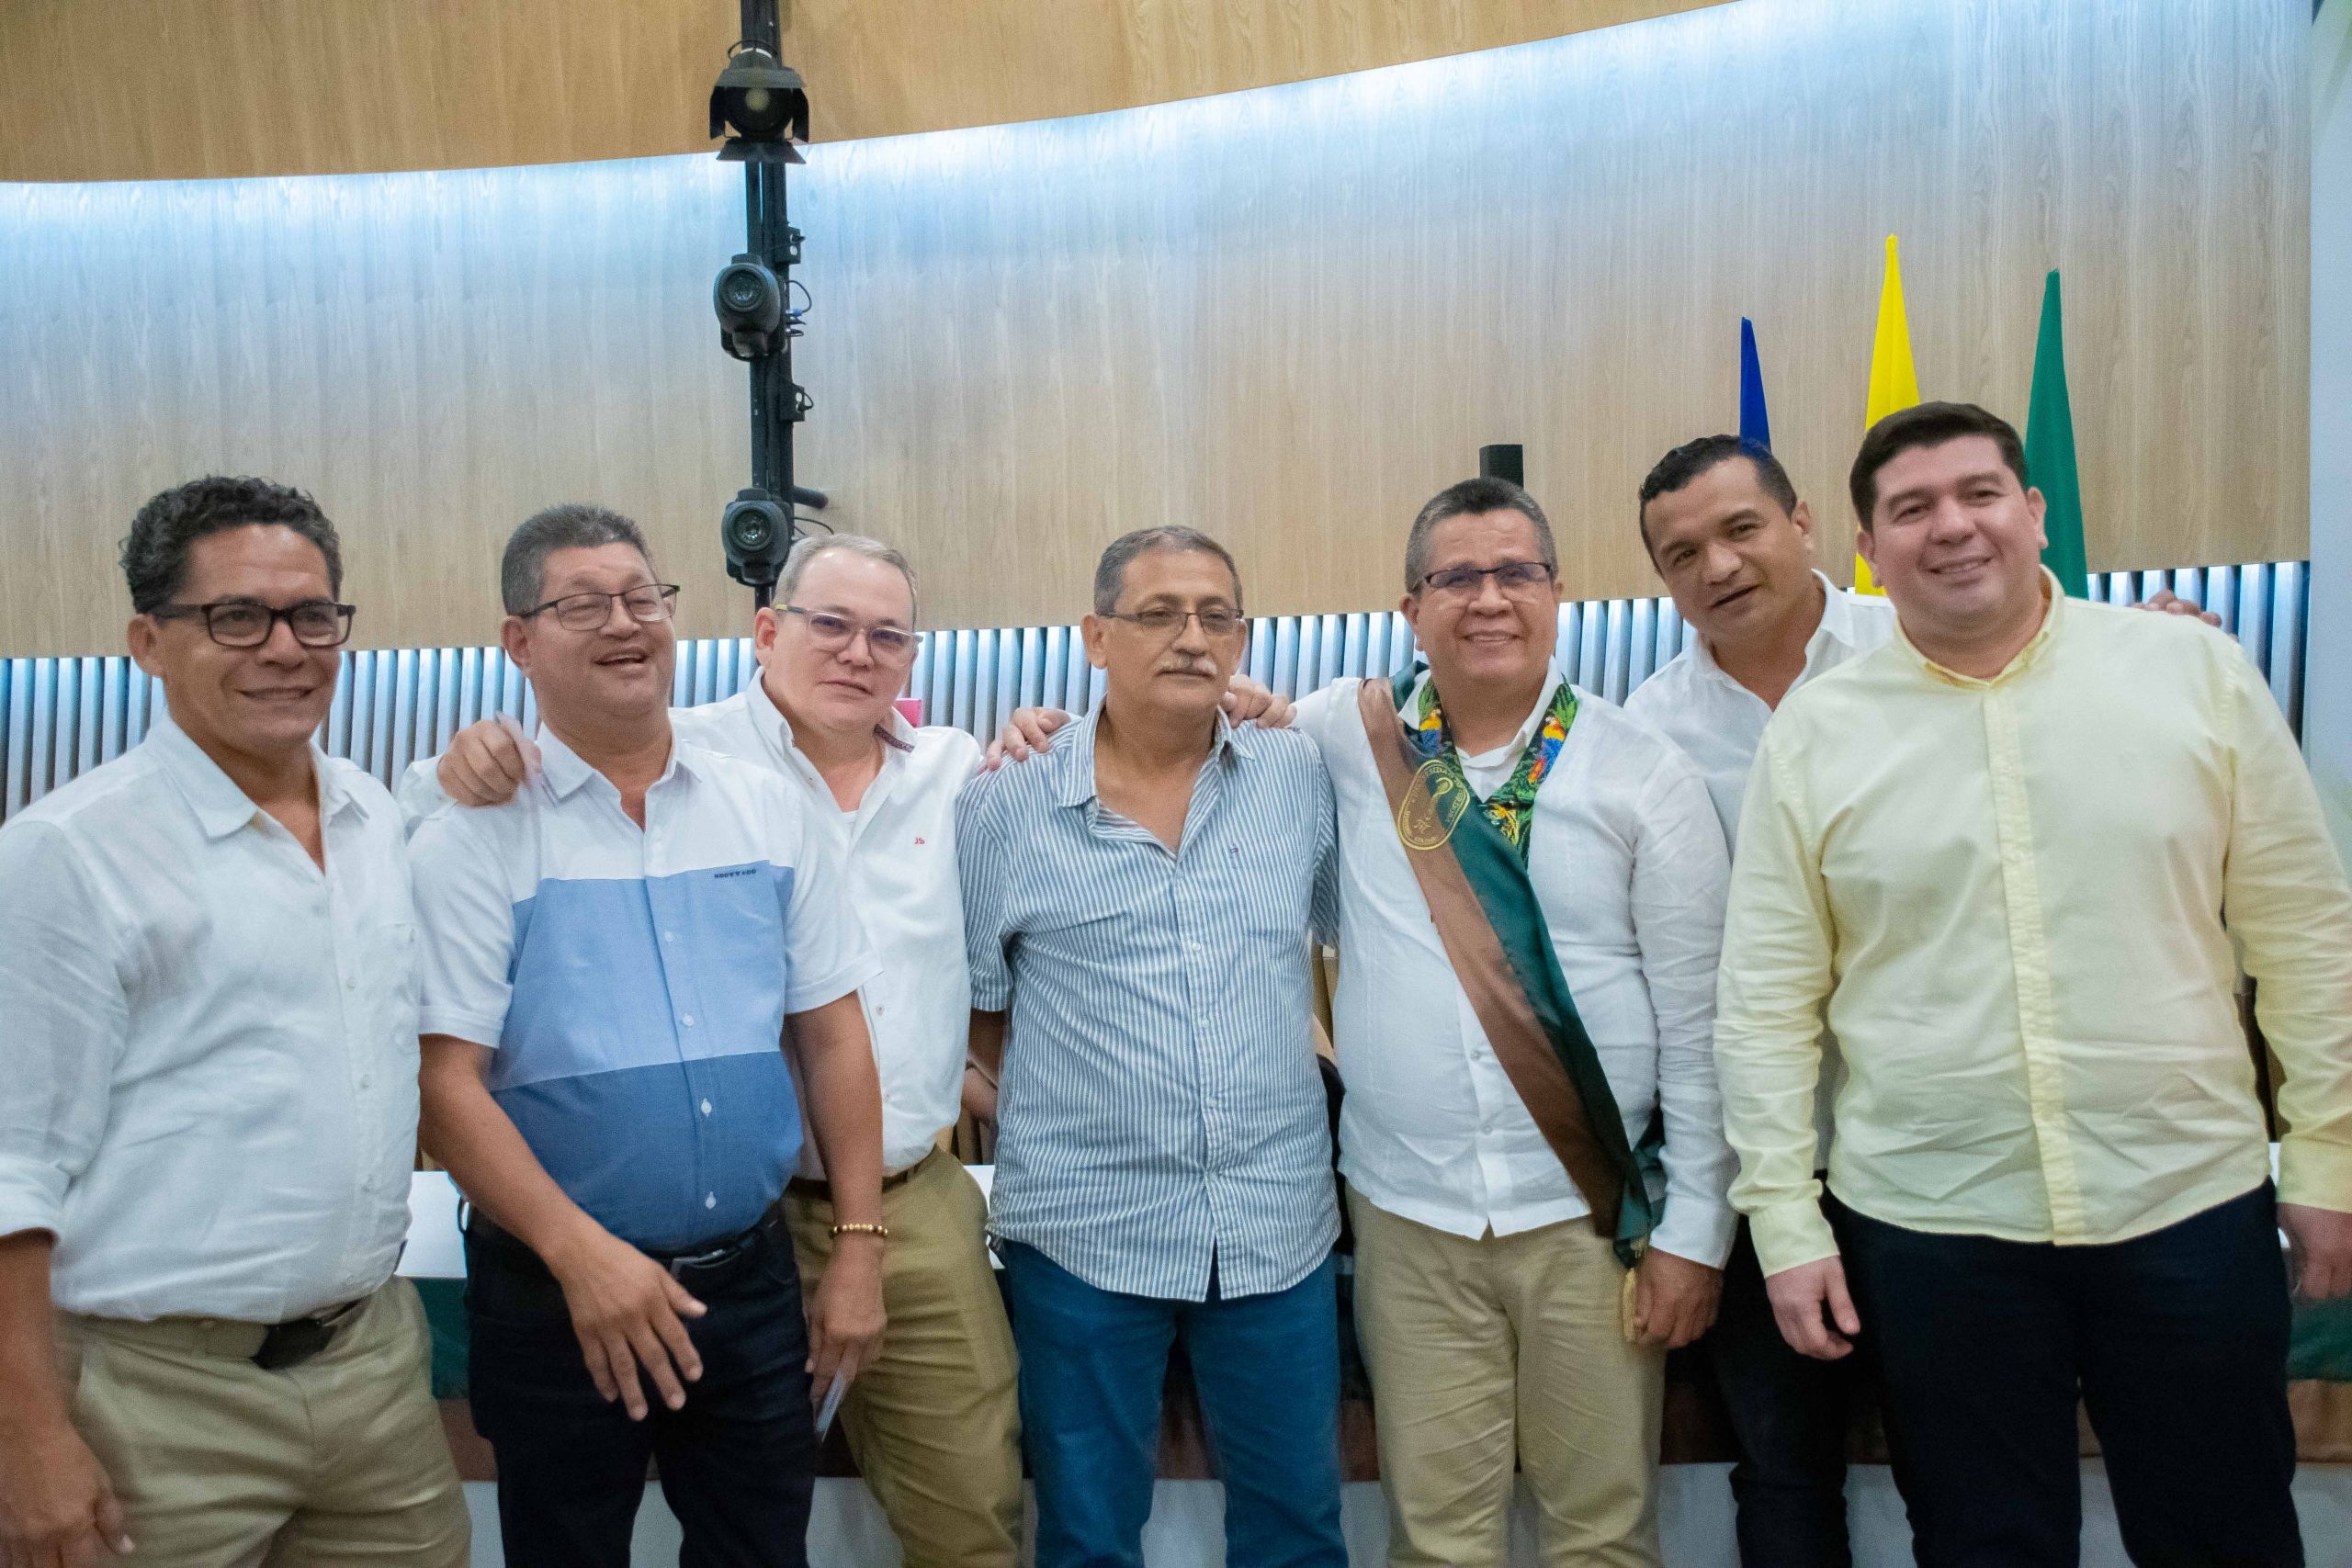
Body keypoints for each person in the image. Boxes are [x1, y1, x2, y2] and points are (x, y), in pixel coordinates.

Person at [999, 479, 1740, 1568]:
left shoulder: (1642, 772)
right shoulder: (1347, 739)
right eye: (1456, 578)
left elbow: (1698, 1019)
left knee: (1603, 1532)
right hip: (1406, 1218)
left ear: (1558, 594)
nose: (1488, 600)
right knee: (1434, 1537)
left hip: (1591, 1219)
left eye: (1515, 574)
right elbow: (1202, 717)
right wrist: (1042, 730)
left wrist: (1693, 1235)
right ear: (1411, 608)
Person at [1714, 401, 2352, 1566]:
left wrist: (2328, 1154)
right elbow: (1763, 1001)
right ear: (1867, 548)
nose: (1950, 527)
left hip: (2185, 1202)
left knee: (2227, 1535)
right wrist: (1781, 1217)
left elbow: (2305, 936)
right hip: (1930, 1224)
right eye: (1910, 510)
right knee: (1981, 1545)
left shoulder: (2193, 673)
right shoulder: (1815, 733)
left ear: (2032, 509)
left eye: (1977, 493)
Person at [415, 534, 1023, 1566]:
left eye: (887, 635)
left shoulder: (960, 774)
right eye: (830, 624)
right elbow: (458, 826)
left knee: (939, 1517)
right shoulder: (662, 750)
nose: (857, 653)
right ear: (765, 632)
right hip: (667, 1247)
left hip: (891, 1207)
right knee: (590, 1533)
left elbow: (845, 1023)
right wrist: (451, 763)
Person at [0, 477, 469, 1568]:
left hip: (370, 1367)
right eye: (234, 618)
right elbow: (10, 1168)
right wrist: (27, 1439)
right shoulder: (66, 857)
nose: (284, 648)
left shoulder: (373, 819)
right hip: (152, 1402)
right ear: (148, 642)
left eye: (312, 616)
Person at [957, 525, 1349, 1568]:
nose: (1191, 637)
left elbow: (1355, 944)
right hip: (1083, 1240)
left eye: (1215, 615)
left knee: (1299, 1531)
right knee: (1087, 1537)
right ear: (1094, 637)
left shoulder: (1297, 776)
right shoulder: (1005, 801)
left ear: (1245, 637)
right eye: (1158, 613)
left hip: (1274, 1228)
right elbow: (979, 1020)